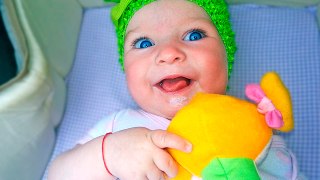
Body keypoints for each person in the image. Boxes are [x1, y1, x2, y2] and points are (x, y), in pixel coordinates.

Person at [48, 0, 300, 179]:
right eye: (144, 43)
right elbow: (56, 174)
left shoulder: (249, 127)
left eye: (193, 35)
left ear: (227, 55)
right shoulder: (119, 128)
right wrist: (108, 154)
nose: (168, 53)